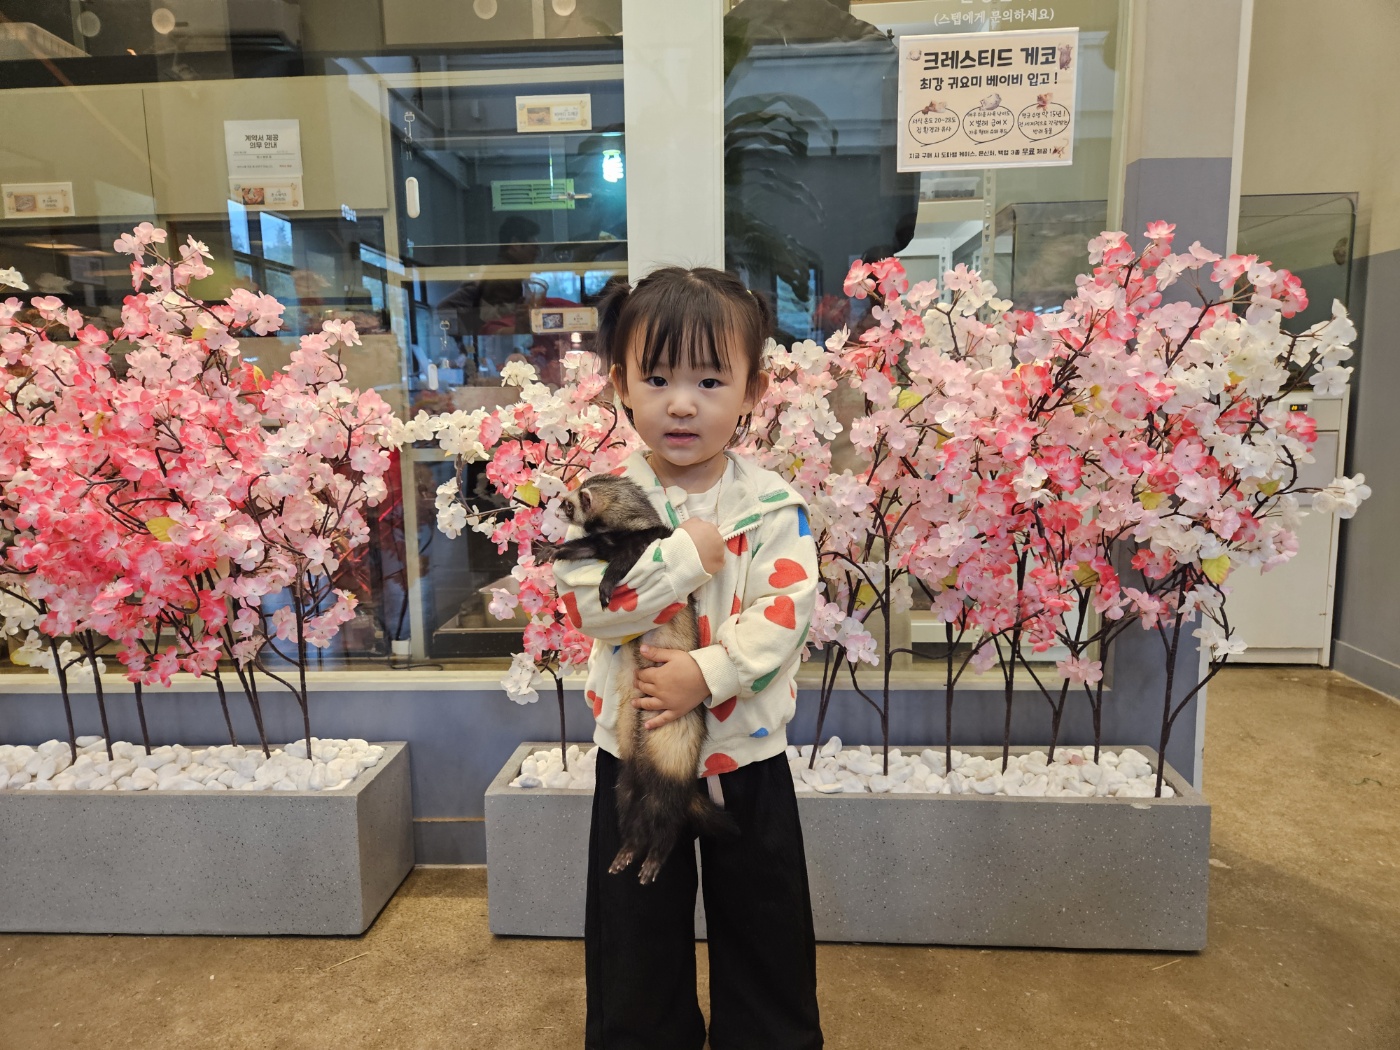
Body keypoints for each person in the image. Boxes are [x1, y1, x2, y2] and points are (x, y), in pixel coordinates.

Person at [553, 267, 823, 1050]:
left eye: (709, 380)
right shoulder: (602, 499)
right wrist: (684, 561)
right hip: (637, 759)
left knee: (767, 925)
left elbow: (784, 614)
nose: (681, 403)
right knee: (634, 933)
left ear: (752, 391)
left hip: (747, 756)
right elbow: (590, 606)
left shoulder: (771, 506)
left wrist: (704, 674)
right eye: (657, 378)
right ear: (619, 385)